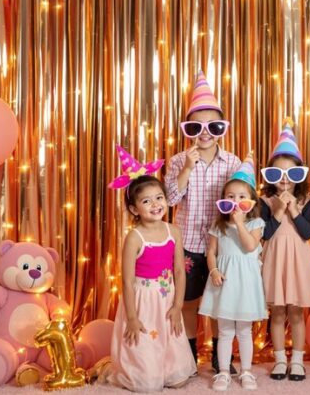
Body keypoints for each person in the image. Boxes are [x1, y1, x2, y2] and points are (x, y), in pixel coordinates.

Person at [165, 70, 242, 373]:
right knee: (188, 303)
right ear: (189, 128)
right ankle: (189, 355)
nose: (205, 132)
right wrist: (186, 168)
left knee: (220, 304)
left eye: (214, 125)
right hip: (187, 245)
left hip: (222, 247)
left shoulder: (233, 162)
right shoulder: (177, 161)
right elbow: (170, 200)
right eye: (197, 125)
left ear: (222, 128)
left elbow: (241, 203)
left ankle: (220, 357)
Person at [104, 145, 195, 392]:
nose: (155, 204)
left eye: (159, 198)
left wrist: (177, 306)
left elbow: (178, 271)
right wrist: (132, 318)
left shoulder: (173, 231)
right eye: (146, 201)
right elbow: (127, 281)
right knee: (146, 381)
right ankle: (137, 369)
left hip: (166, 298)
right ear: (134, 209)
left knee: (178, 376)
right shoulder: (134, 237)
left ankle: (168, 369)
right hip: (143, 300)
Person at [258, 119, 310, 381]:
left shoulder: (307, 200)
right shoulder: (264, 201)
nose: (284, 180)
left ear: (300, 176)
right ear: (271, 176)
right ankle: (280, 359)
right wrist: (278, 210)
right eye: (277, 174)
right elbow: (265, 233)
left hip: (298, 260)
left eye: (292, 174)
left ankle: (297, 359)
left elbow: (307, 233)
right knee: (278, 311)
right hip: (274, 258)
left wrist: (294, 208)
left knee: (296, 311)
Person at [199, 154, 267, 391]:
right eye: (230, 197)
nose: (236, 201)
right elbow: (211, 252)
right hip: (225, 284)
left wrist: (239, 223)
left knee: (245, 331)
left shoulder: (256, 224)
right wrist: (214, 270)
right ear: (223, 201)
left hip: (246, 284)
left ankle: (247, 371)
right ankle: (224, 372)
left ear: (252, 201)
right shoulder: (218, 226)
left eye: (242, 197)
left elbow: (249, 246)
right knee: (226, 331)